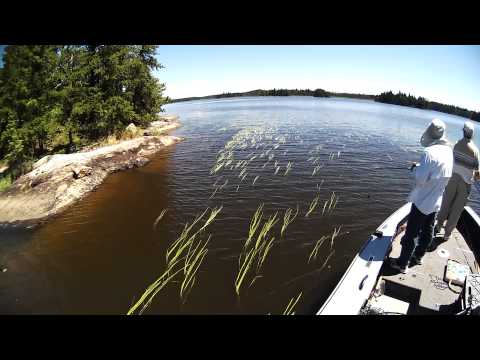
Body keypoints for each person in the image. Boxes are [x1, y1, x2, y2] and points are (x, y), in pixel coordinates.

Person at [389, 119, 453, 273]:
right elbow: (437, 172)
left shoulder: (428, 152)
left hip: (422, 201)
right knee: (428, 230)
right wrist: (419, 166)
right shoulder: (448, 151)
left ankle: (402, 264)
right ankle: (418, 257)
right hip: (437, 200)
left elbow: (421, 179)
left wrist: (415, 170)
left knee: (411, 234)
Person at [434, 121, 480, 243]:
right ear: (472, 134)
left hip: (452, 179)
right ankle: (447, 234)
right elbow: (477, 174)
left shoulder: (456, 145)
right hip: (465, 184)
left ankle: (438, 226)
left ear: (463, 131)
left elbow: (449, 162)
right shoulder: (476, 151)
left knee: (445, 203)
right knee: (457, 210)